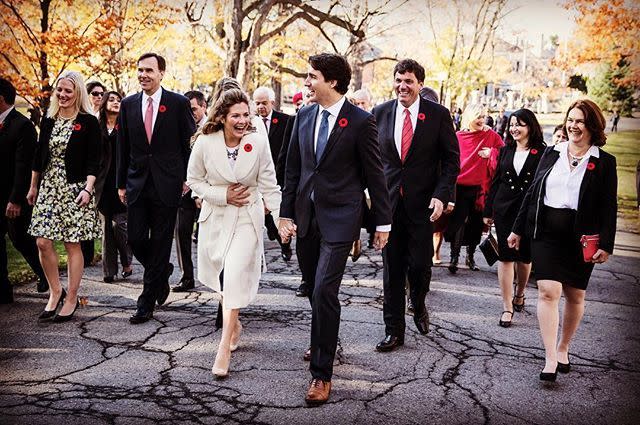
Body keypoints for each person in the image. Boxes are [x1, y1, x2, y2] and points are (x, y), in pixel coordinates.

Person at [279, 53, 392, 405]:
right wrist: (286, 214)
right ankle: (323, 339)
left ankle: (321, 375)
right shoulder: (304, 115)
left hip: (342, 217)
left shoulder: (360, 121)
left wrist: (382, 222)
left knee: (326, 289)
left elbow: (376, 173)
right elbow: (293, 170)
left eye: (312, 77)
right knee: (314, 288)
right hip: (306, 216)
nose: (306, 83)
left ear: (333, 82)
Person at [508, 99, 617, 382]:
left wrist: (606, 243)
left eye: (580, 121)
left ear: (592, 125)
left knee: (575, 295)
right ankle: (549, 358)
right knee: (547, 291)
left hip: (581, 238)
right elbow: (532, 193)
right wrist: (517, 229)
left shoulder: (604, 162)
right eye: (570, 120)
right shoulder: (551, 152)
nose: (573, 125)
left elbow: (608, 205)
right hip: (546, 233)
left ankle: (564, 346)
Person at [187, 88, 281, 379]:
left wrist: (281, 219)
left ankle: (223, 346)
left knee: (236, 272)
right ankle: (235, 323)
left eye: (246, 115)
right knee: (222, 276)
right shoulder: (205, 142)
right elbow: (194, 181)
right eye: (236, 116)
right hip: (216, 218)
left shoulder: (257, 141)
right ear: (223, 117)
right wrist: (222, 194)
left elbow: (269, 182)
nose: (242, 121)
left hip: (246, 219)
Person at [372, 59, 459, 352]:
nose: (402, 86)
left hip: (424, 205)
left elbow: (451, 160)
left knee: (420, 265)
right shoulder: (380, 113)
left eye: (408, 81)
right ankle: (394, 331)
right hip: (389, 205)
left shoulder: (437, 115)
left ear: (420, 84)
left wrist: (442, 193)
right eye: (398, 80)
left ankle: (419, 302)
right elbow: (372, 160)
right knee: (392, 270)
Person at [116, 52, 196, 324]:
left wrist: (188, 178)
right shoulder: (128, 104)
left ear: (162, 73)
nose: (143, 75)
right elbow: (122, 147)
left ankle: (145, 302)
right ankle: (160, 273)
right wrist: (120, 183)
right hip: (137, 183)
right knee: (136, 238)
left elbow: (188, 144)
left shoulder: (178, 103)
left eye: (149, 70)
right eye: (140, 70)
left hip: (168, 183)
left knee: (161, 241)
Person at [27, 71, 102, 322]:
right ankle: (54, 291)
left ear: (78, 92)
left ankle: (71, 296)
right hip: (48, 185)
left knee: (72, 244)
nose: (63, 95)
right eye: (60, 90)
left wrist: (87, 189)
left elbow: (95, 160)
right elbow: (39, 155)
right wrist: (33, 186)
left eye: (68, 91)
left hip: (75, 187)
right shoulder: (49, 119)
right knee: (42, 241)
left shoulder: (88, 122)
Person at [483, 109, 545, 327]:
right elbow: (496, 181)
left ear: (531, 127)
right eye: (511, 124)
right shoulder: (505, 150)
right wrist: (488, 211)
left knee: (524, 257)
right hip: (504, 209)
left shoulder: (542, 152)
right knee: (506, 257)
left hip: (527, 211)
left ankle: (520, 293)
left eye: (520, 124)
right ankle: (507, 306)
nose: (514, 129)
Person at [0, 78, 47, 303]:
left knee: (21, 240)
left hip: (14, 196)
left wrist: (16, 199)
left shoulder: (23, 126)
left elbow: (23, 166)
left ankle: (46, 275)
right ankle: (3, 290)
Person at [446, 104, 503, 274]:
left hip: (480, 188)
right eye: (478, 116)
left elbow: (506, 154)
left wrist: (492, 153)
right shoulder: (458, 136)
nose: (481, 120)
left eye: (483, 116)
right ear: (469, 117)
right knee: (458, 223)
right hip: (460, 186)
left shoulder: (491, 135)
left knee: (476, 225)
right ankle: (454, 257)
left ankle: (470, 257)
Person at [171, 90, 207, 292]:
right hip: (185, 188)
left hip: (210, 192)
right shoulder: (178, 127)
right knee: (182, 231)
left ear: (203, 106)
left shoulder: (213, 128)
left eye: (193, 109)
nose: (190, 113)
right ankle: (187, 276)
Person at [252, 86, 293, 261]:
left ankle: (285, 246)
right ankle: (271, 230)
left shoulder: (286, 121)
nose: (261, 106)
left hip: (278, 174)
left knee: (277, 210)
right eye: (257, 103)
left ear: (272, 103)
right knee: (265, 213)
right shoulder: (250, 122)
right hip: (258, 175)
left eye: (264, 103)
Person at [96, 91, 133, 283]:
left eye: (119, 100)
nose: (116, 102)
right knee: (106, 230)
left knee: (119, 225)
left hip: (122, 183)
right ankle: (108, 272)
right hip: (102, 184)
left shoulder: (126, 126)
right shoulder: (97, 126)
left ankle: (126, 262)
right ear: (103, 104)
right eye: (111, 99)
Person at [81, 80, 106, 267]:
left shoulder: (104, 116)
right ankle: (86, 253)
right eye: (95, 93)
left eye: (101, 94)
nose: (99, 97)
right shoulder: (83, 115)